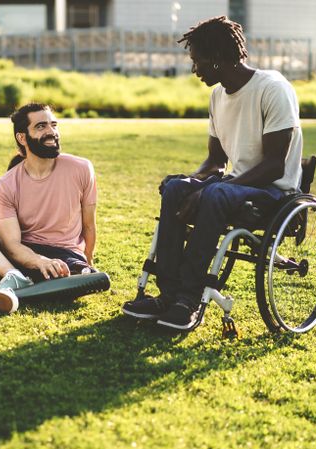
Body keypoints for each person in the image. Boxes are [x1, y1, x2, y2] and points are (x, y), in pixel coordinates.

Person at [122, 16, 303, 330]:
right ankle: (168, 294)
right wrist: (192, 182)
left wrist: (209, 190)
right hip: (236, 186)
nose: (195, 69)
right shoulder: (218, 96)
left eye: (198, 61)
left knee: (217, 191)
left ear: (218, 59)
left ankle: (188, 299)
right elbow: (215, 162)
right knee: (176, 187)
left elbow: (275, 164)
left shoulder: (273, 88)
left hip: (274, 192)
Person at [0, 103, 98, 314]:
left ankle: (19, 286)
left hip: (64, 254)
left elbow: (89, 226)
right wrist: (38, 261)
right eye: (41, 126)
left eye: (53, 125)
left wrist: (87, 265)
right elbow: (10, 244)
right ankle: (14, 277)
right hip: (19, 253)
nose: (51, 132)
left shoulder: (81, 168)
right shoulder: (6, 184)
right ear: (22, 137)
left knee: (76, 274)